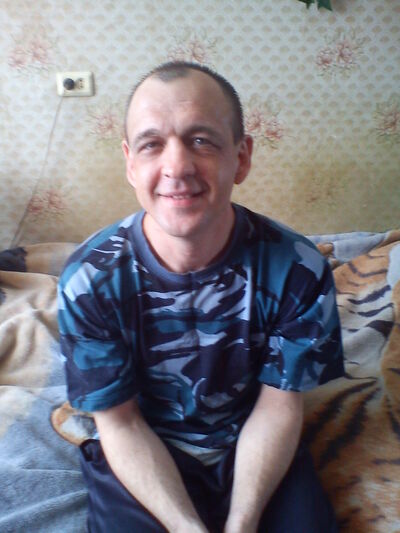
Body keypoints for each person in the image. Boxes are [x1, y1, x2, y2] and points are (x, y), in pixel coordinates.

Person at [58, 61, 344, 533]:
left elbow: (279, 406)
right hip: (142, 443)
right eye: (152, 145)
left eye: (201, 140)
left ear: (241, 157)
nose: (177, 167)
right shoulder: (88, 280)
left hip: (254, 439)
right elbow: (120, 422)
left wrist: (243, 521)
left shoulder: (299, 269)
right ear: (130, 163)